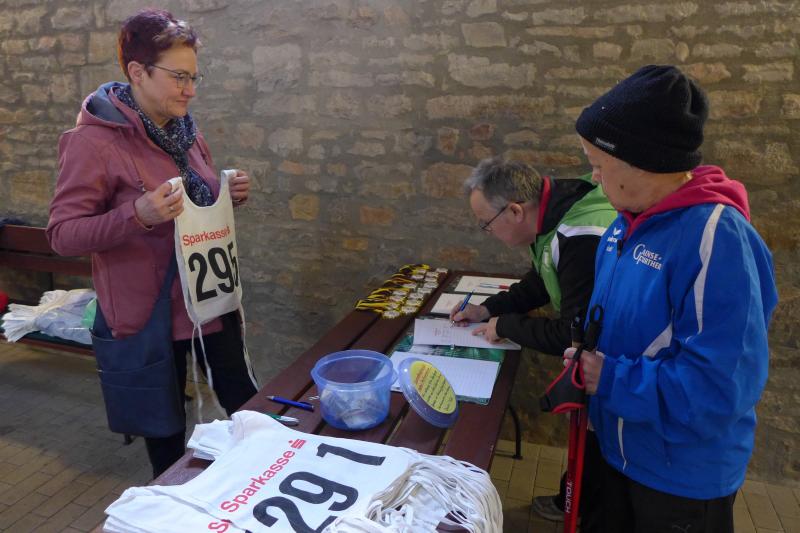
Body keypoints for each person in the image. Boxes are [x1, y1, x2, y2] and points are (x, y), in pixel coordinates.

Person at [47, 9, 258, 478]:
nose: (190, 89)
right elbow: (62, 234)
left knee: (248, 410)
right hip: (150, 319)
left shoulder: (187, 132)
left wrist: (226, 196)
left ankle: (258, 491)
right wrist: (137, 215)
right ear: (137, 72)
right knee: (168, 443)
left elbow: (192, 208)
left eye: (194, 77)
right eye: (179, 77)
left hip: (211, 302)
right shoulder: (92, 142)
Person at [572, 64, 778, 532]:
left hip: (679, 478)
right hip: (619, 451)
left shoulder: (717, 239)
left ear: (640, 160)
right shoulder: (623, 226)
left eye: (598, 162)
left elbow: (719, 389)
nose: (593, 176)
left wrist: (609, 378)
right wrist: (586, 361)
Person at [451, 157, 616, 528]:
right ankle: (575, 500)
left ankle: (582, 508)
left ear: (515, 211)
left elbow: (573, 336)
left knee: (599, 455)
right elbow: (542, 279)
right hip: (602, 362)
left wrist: (506, 325)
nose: (486, 231)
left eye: (485, 223)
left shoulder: (579, 236)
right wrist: (488, 309)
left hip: (612, 367)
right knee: (592, 452)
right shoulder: (555, 211)